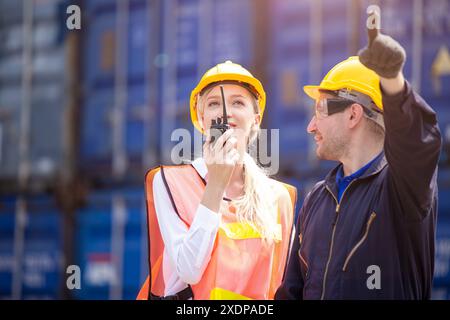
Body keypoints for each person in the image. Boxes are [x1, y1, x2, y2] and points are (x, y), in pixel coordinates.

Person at [275, 17, 441, 299]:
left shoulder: (402, 191)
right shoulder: (317, 198)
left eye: (320, 111)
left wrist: (393, 82)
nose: (311, 126)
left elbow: (418, 143)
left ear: (353, 114)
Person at [137, 61, 297, 300]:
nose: (225, 112)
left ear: (255, 118)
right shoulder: (170, 182)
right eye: (214, 104)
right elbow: (190, 270)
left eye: (238, 103)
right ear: (201, 119)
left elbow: (283, 285)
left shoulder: (279, 198)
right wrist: (216, 185)